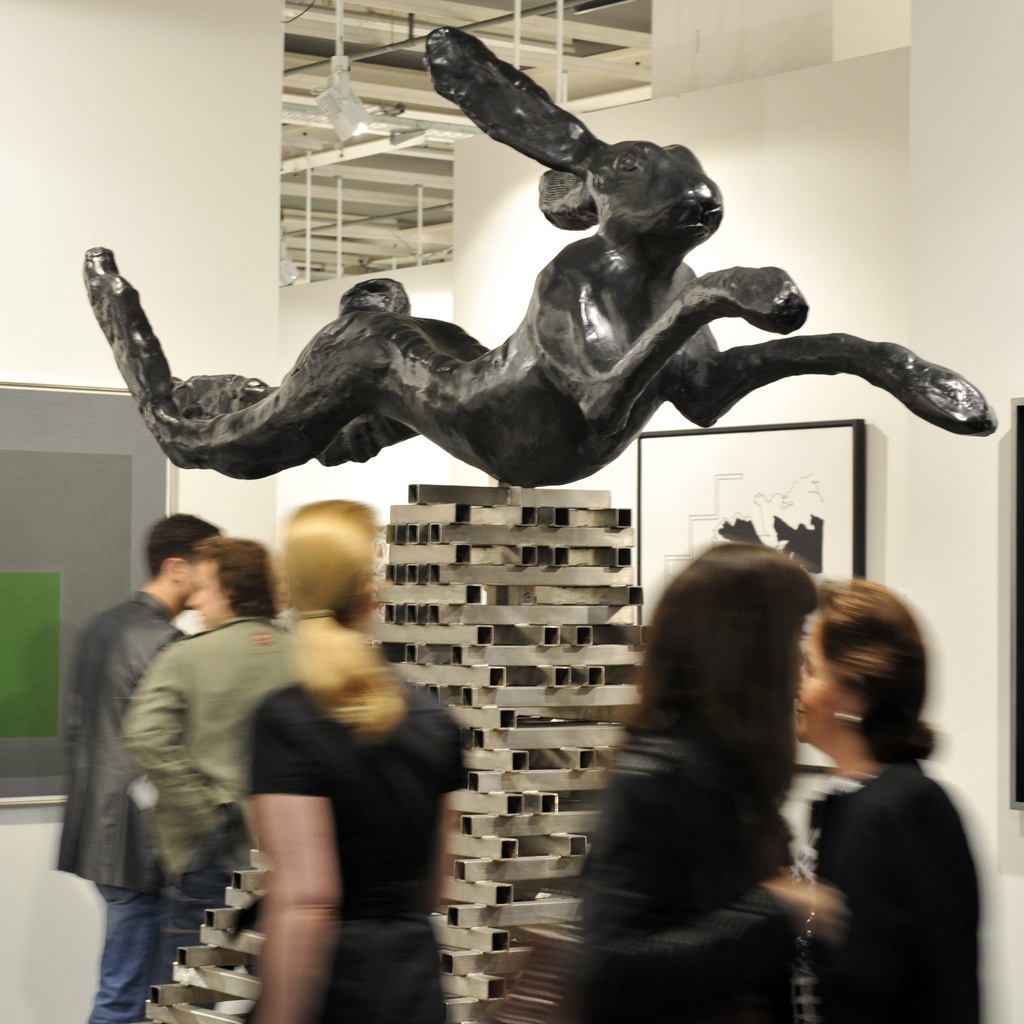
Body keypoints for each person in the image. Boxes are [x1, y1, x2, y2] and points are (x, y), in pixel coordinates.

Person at [580, 543, 844, 1024]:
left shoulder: (731, 776)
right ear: (748, 652)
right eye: (791, 637)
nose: (798, 664)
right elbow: (611, 972)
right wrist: (775, 910)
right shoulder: (655, 778)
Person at [248, 500, 464, 1024]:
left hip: (336, 988)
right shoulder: (433, 719)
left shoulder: (288, 721)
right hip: (413, 982)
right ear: (372, 594)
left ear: (293, 589)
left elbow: (308, 902)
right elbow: (438, 886)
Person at [58, 513, 220, 1024]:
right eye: (209, 568)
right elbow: (170, 749)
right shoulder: (166, 644)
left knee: (125, 990)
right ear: (177, 568)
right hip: (142, 847)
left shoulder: (102, 627)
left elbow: (77, 733)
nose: (214, 583)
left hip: (100, 836)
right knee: (136, 997)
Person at [794, 578, 980, 1024]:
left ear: (854, 693)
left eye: (811, 670)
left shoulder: (909, 807)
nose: (797, 685)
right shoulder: (845, 800)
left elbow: (939, 985)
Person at [122, 536, 293, 968]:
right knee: (280, 982)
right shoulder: (308, 656)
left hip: (213, 855)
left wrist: (208, 815)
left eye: (202, 588)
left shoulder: (186, 657)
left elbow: (145, 736)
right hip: (293, 852)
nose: (194, 601)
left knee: (194, 988)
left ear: (230, 590)